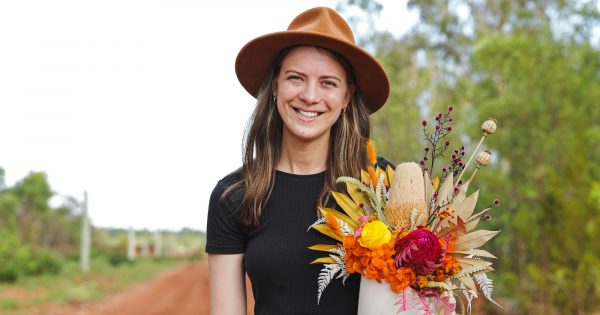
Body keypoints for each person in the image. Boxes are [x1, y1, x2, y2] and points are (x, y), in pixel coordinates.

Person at [206, 7, 391, 315]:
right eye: (296, 78)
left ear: (347, 96)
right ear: (275, 85)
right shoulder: (234, 195)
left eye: (328, 83)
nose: (309, 95)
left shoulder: (380, 184)